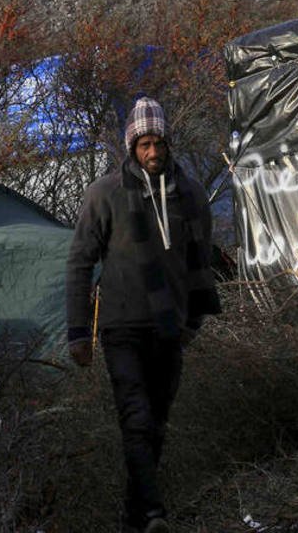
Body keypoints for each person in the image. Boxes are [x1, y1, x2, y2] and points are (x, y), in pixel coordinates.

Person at [66, 96, 222, 533]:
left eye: (158, 143)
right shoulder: (105, 194)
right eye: (143, 145)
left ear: (168, 143)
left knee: (156, 423)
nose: (152, 153)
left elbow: (199, 261)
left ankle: (134, 518)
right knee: (135, 418)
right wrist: (77, 332)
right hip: (120, 325)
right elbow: (79, 262)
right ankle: (155, 515)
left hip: (169, 326)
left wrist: (193, 321)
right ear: (131, 148)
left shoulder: (189, 194)